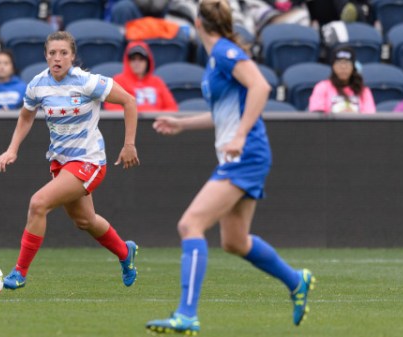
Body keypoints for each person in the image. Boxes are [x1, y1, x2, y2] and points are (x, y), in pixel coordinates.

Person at [145, 0, 314, 334]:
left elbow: (261, 86)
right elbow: (223, 113)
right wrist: (182, 124)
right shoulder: (216, 58)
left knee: (190, 224)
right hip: (239, 154)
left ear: (197, 23)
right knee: (235, 241)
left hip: (245, 154)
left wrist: (240, 135)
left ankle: (186, 315)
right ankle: (297, 281)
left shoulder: (224, 52)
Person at [0, 31, 141, 291]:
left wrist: (129, 145)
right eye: (52, 53)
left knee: (38, 203)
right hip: (61, 162)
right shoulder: (38, 84)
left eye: (63, 53)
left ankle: (20, 272)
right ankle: (124, 252)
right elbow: (26, 116)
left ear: (73, 56)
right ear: (45, 56)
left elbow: (129, 101)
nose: (57, 58)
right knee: (85, 221)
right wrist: (11, 149)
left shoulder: (88, 82)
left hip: (89, 161)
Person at [103, 41, 178, 112]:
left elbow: (172, 108)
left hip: (157, 123)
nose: (137, 63)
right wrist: (136, 115)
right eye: (133, 59)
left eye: (141, 59)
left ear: (148, 61)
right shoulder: (118, 81)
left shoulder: (157, 81)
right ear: (127, 61)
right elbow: (111, 107)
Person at [308, 46, 376, 114]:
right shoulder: (322, 87)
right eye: (339, 63)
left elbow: (369, 119)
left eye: (347, 63)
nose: (343, 67)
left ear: (353, 67)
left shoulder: (363, 91)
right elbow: (316, 117)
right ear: (333, 67)